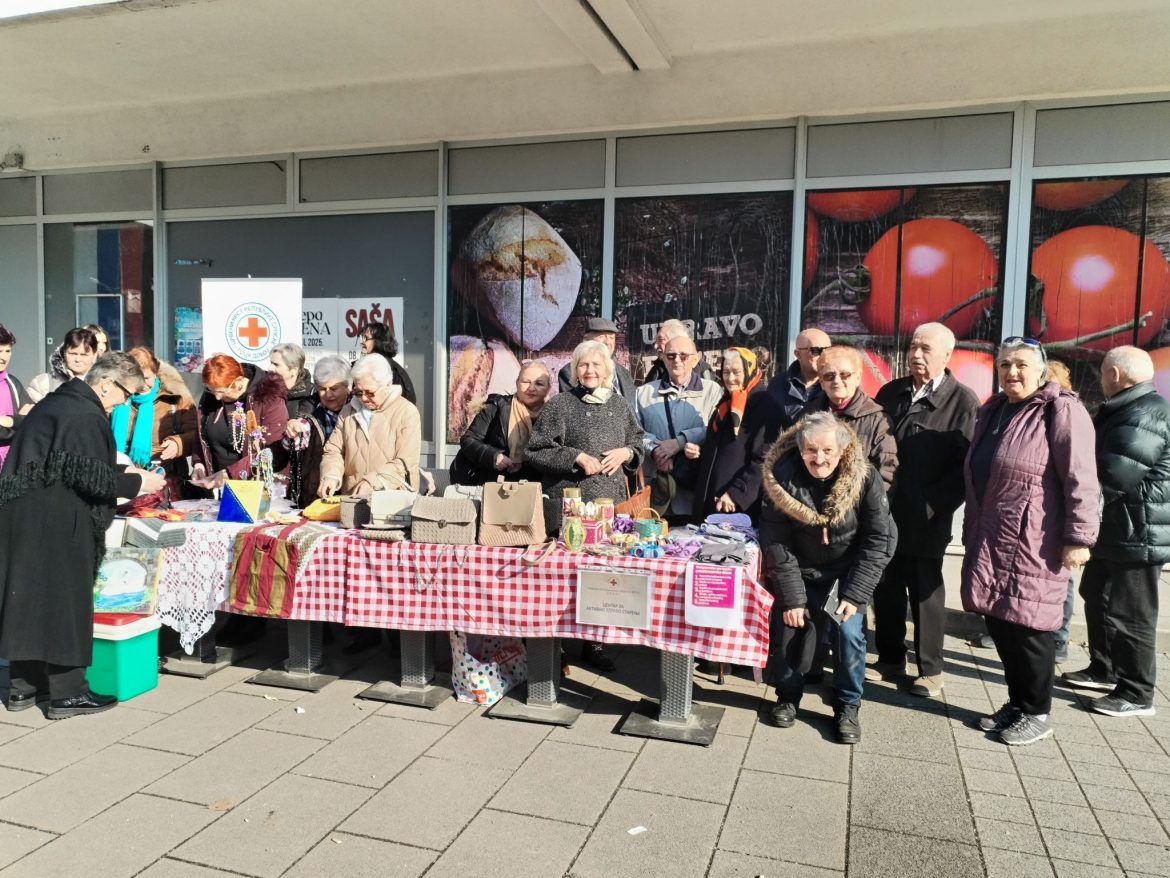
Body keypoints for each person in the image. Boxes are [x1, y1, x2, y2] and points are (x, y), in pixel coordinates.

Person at [0, 352, 164, 718]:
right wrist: (141, 481)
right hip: (58, 519)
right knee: (66, 602)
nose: (125, 402)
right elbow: (90, 478)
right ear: (107, 384)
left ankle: (23, 688)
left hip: (24, 515)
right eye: (127, 394)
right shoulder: (84, 413)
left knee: (27, 598)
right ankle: (68, 692)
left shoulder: (57, 402)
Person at [961, 337, 1099, 746]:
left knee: (1030, 628)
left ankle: (1038, 712)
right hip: (992, 535)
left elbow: (1082, 479)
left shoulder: (1060, 410)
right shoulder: (995, 409)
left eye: (1021, 364)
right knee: (1001, 623)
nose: (1012, 373)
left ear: (1041, 370)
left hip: (1035, 539)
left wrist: (1079, 538)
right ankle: (1018, 703)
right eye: (1005, 365)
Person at [759, 412, 897, 744]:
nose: (818, 459)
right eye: (811, 451)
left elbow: (880, 540)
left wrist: (855, 593)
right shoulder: (781, 478)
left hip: (846, 573)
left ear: (842, 451)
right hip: (801, 570)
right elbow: (777, 543)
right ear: (799, 448)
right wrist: (792, 597)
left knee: (849, 633)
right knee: (790, 624)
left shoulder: (865, 478)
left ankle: (847, 705)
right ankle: (788, 696)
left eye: (827, 452)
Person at [872, 323, 979, 697]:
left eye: (926, 348)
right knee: (884, 585)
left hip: (926, 515)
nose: (916, 354)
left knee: (924, 591)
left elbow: (966, 467)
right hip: (884, 509)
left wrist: (933, 505)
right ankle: (888, 657)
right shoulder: (891, 391)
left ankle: (930, 669)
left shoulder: (963, 402)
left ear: (947, 356)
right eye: (914, 346)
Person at [1063, 346, 1170, 718]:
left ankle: (1137, 692)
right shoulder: (1127, 409)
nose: (1100, 378)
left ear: (1116, 375)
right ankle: (1104, 668)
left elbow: (1113, 474)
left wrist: (1071, 506)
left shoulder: (1144, 414)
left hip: (1138, 533)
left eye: (1103, 371)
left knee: (1132, 614)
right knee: (1097, 594)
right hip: (1116, 528)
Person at [527, 339, 645, 672]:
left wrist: (627, 453)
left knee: (602, 576)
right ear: (575, 370)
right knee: (563, 579)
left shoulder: (620, 406)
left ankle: (595, 644)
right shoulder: (560, 405)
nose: (589, 370)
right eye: (583, 365)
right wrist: (575, 456)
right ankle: (558, 647)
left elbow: (638, 441)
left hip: (610, 505)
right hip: (570, 507)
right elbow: (535, 451)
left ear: (608, 369)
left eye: (596, 365)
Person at [635, 331, 722, 520]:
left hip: (693, 490)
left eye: (684, 356)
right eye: (671, 355)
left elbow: (717, 430)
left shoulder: (712, 391)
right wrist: (657, 449)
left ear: (696, 359)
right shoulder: (643, 393)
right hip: (656, 492)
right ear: (663, 358)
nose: (677, 361)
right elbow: (634, 433)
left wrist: (681, 442)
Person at [692, 346, 782, 521]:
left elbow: (766, 459)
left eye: (736, 372)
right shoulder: (725, 404)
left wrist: (736, 493)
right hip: (713, 503)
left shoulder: (766, 407)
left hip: (739, 508)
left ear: (750, 370)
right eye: (726, 372)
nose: (730, 378)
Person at [318, 353, 421, 497]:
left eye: (370, 393)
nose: (364, 398)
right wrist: (331, 475)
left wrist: (372, 481)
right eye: (359, 392)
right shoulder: (348, 410)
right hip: (352, 499)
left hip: (392, 501)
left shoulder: (407, 412)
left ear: (386, 385)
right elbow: (334, 450)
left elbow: (404, 462)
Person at [806, 345, 898, 491]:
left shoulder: (877, 419)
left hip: (858, 507)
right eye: (829, 376)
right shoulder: (809, 414)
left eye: (844, 374)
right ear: (822, 383)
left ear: (858, 377)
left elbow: (886, 471)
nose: (836, 381)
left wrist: (871, 508)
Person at [191, 354, 289, 487]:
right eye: (212, 390)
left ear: (239, 381)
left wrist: (231, 473)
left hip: (258, 485)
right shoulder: (212, 394)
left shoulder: (269, 398)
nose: (217, 397)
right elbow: (201, 434)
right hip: (218, 485)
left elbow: (274, 451)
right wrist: (199, 464)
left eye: (221, 391)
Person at [451, 361, 552, 485]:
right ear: (517, 383)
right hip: (492, 485)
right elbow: (468, 440)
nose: (531, 388)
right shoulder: (496, 406)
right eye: (525, 382)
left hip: (534, 487)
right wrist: (493, 456)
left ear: (548, 388)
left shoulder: (553, 414)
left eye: (539, 384)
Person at [120, 347, 198, 485]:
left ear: (156, 372)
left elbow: (197, 434)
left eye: (147, 378)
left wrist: (178, 443)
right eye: (138, 379)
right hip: (126, 479)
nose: (143, 385)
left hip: (165, 479)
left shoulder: (175, 398)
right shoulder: (117, 399)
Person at [284, 355, 351, 506]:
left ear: (348, 386)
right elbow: (292, 446)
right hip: (318, 493)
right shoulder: (308, 411)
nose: (328, 395)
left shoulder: (360, 409)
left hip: (352, 491)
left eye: (334, 389)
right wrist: (292, 433)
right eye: (322, 389)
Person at [557, 317, 637, 405]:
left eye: (611, 337)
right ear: (586, 340)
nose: (607, 342)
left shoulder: (623, 372)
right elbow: (571, 407)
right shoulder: (569, 372)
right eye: (602, 336)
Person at [767, 327, 831, 428]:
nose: (823, 356)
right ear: (798, 354)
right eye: (815, 350)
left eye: (827, 350)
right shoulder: (778, 384)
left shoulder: (836, 383)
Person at [26, 327, 99, 403]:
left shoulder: (103, 383)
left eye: (84, 355)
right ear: (64, 352)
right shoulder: (43, 383)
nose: (78, 359)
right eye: (73, 354)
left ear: (94, 355)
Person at [640, 319, 715, 386]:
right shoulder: (657, 369)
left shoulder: (703, 371)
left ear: (676, 341)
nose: (655, 346)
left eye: (661, 340)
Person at [357, 322, 416, 405]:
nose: (362, 343)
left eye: (366, 338)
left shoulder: (389, 370)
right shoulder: (375, 365)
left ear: (378, 341)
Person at [0, 323, 32, 469]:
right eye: (0, 351)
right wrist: (18, 423)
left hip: (10, 465)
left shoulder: (12, 382)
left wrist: (10, 420)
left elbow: (32, 418)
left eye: (8, 351)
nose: (4, 357)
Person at [269, 343, 315, 420]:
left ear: (294, 370)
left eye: (276, 365)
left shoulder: (312, 394)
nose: (270, 368)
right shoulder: (264, 391)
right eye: (271, 363)